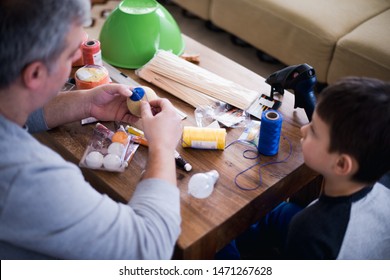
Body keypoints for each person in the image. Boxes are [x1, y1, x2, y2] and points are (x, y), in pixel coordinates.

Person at [0, 0, 182, 259]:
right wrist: (163, 147)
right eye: (68, 55)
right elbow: (148, 250)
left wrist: (86, 103)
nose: (75, 60)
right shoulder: (25, 176)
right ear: (36, 74)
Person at [218, 77, 390, 259]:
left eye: (314, 130)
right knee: (283, 211)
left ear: (341, 164)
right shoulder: (383, 180)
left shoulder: (309, 229)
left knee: (219, 244)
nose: (303, 130)